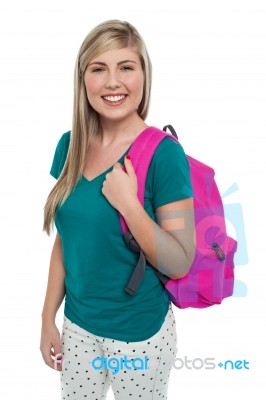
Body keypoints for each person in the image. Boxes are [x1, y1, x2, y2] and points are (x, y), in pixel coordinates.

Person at [40, 19, 195, 400]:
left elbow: (179, 262)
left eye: (126, 67)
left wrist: (129, 204)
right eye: (98, 68)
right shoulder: (70, 145)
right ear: (83, 80)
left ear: (143, 75)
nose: (112, 82)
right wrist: (48, 319)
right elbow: (68, 238)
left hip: (139, 336)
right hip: (77, 328)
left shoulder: (164, 155)